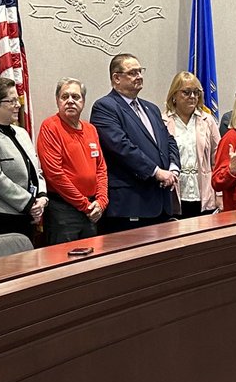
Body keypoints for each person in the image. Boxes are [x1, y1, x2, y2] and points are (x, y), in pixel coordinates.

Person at [90, 53, 180, 233]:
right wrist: (156, 172)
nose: (139, 76)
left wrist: (173, 168)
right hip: (131, 203)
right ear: (116, 78)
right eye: (132, 73)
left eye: (140, 71)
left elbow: (169, 140)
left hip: (161, 201)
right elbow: (121, 147)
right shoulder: (105, 107)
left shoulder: (151, 108)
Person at [37, 78, 108, 244]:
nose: (70, 101)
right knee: (64, 264)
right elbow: (55, 174)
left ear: (83, 101)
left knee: (90, 262)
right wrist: (85, 205)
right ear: (57, 100)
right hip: (63, 211)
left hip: (91, 209)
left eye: (75, 97)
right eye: (65, 97)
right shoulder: (50, 126)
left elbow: (101, 169)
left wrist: (101, 202)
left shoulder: (91, 129)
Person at [0, 77, 47, 238]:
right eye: (12, 101)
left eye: (18, 100)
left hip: (29, 214)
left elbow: (37, 170)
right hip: (4, 218)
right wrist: (29, 203)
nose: (18, 105)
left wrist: (41, 198)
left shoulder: (21, 133)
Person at [162, 71, 219, 216]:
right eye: (186, 92)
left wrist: (220, 195)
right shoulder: (162, 121)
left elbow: (217, 158)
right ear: (174, 95)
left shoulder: (208, 121)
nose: (192, 97)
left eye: (196, 92)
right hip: (175, 192)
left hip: (204, 193)